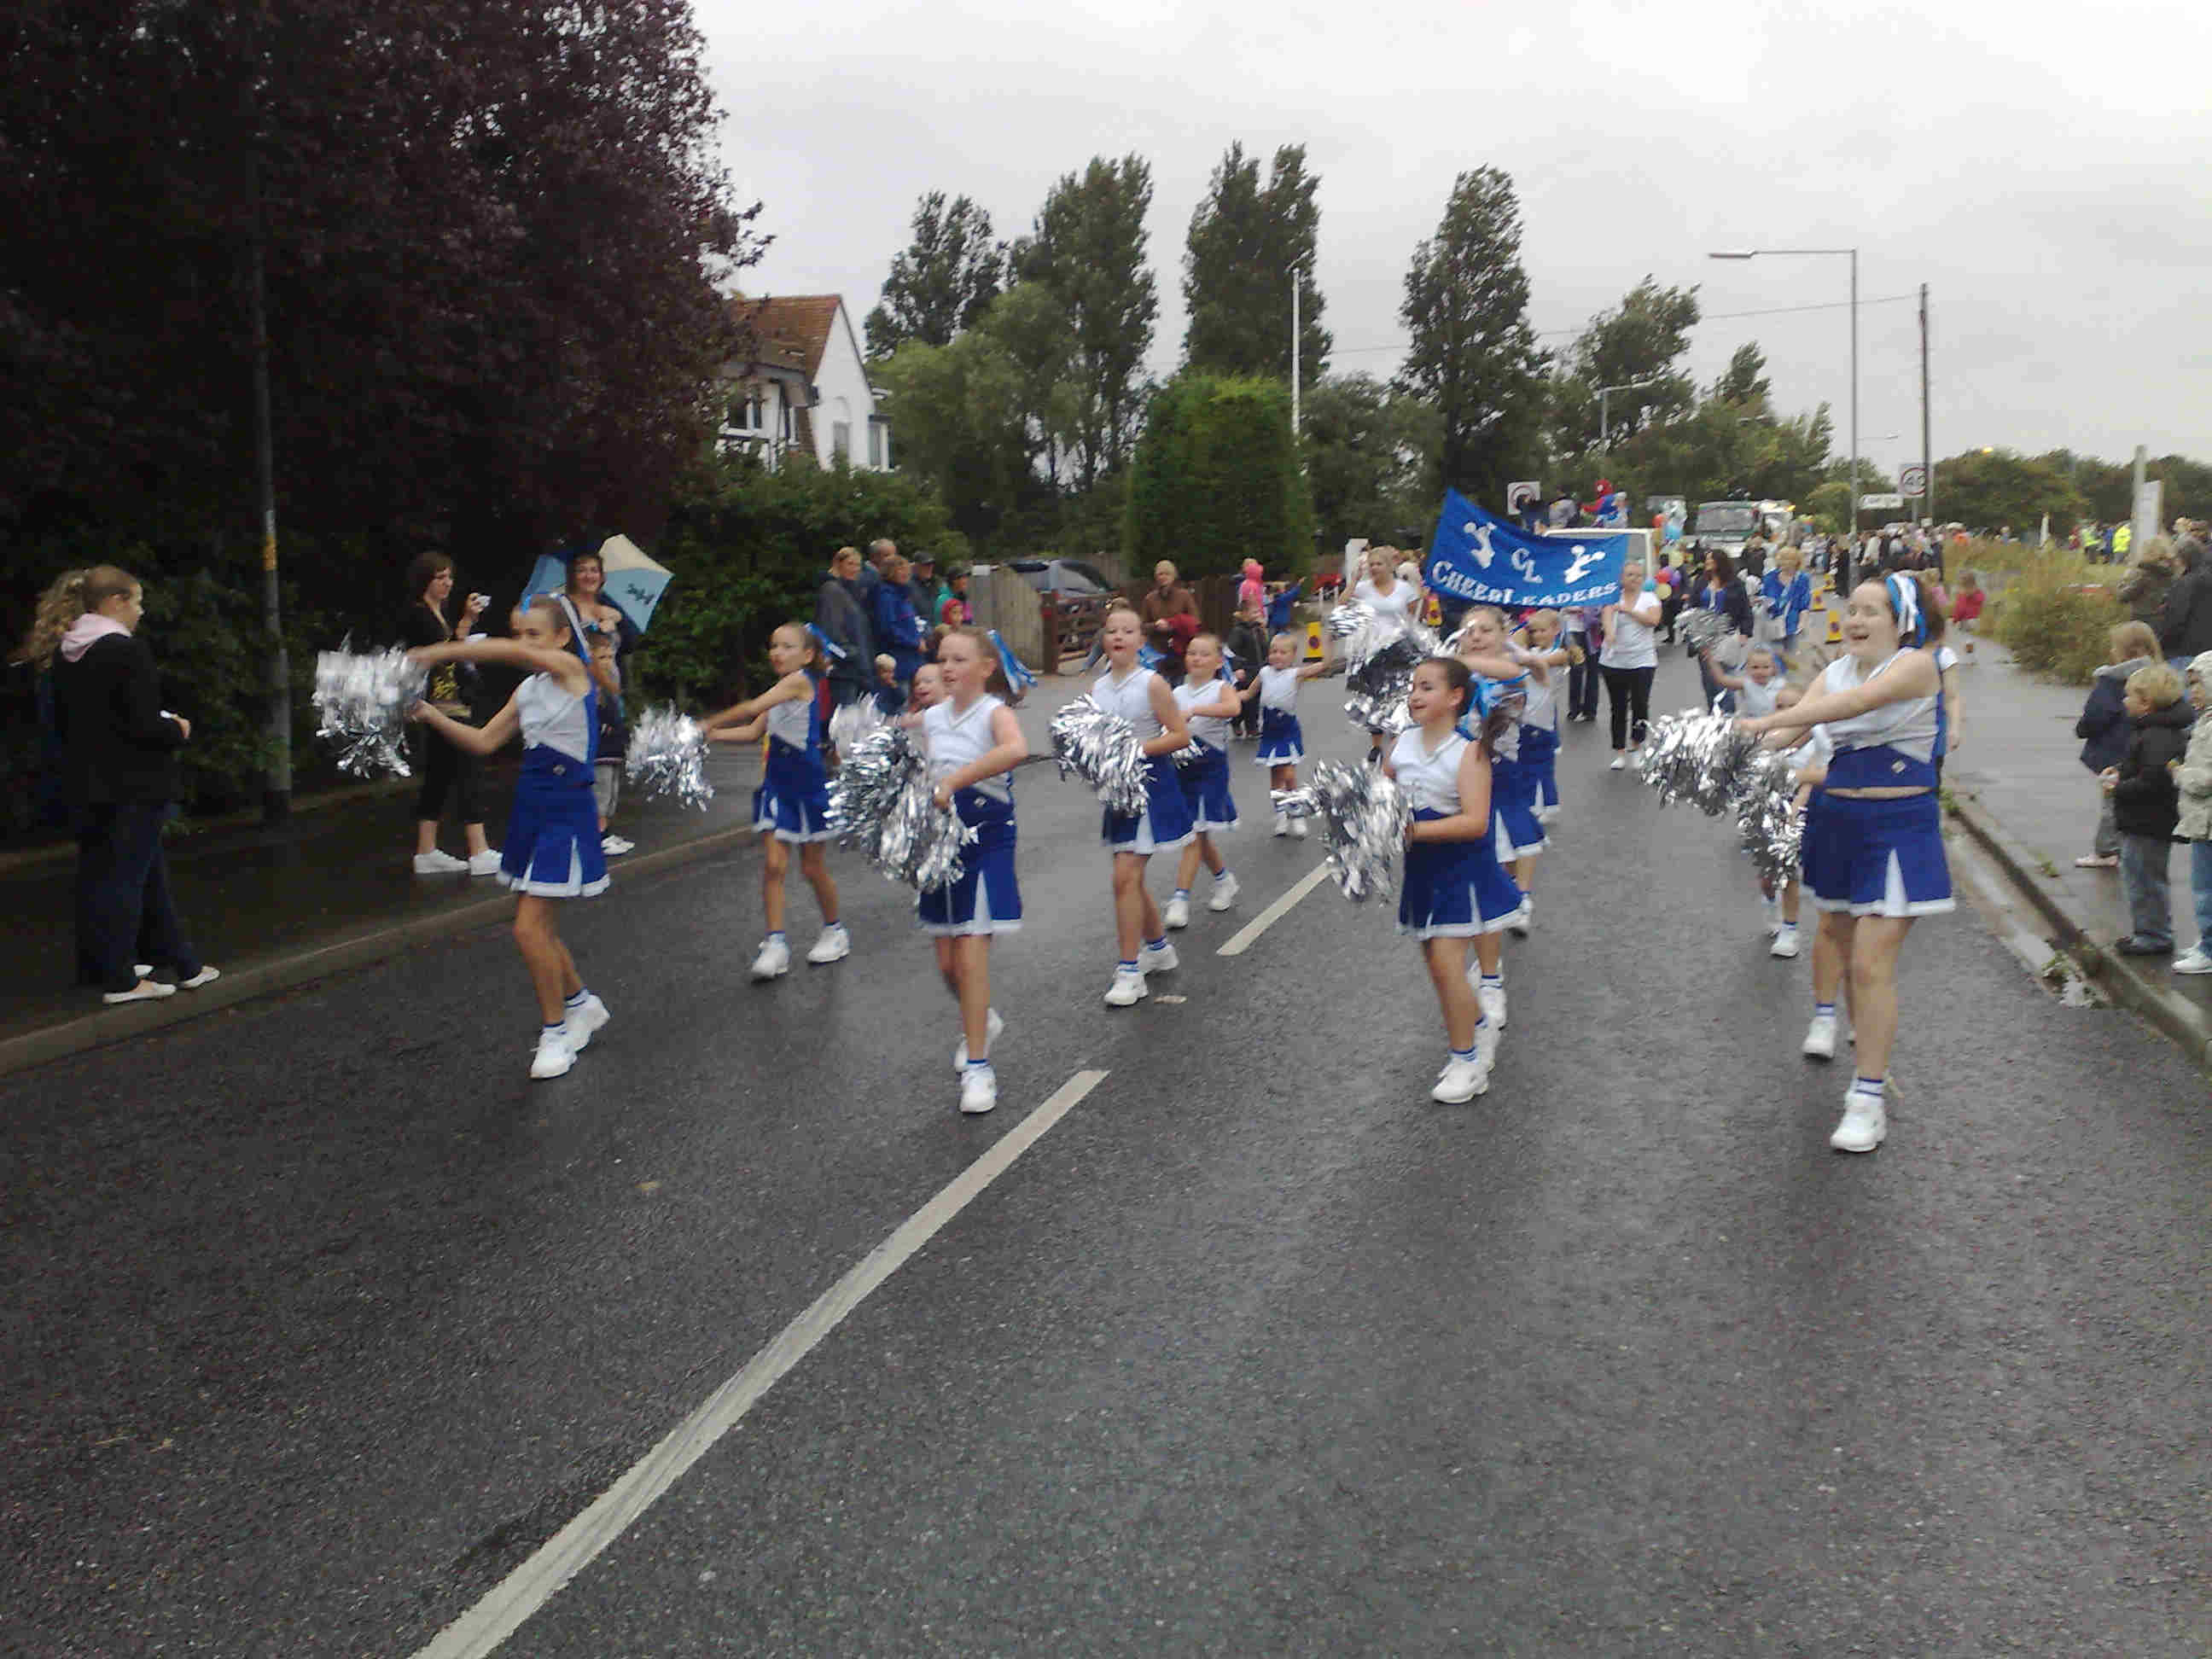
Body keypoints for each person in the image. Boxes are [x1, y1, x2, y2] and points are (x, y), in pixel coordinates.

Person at [1740, 573, 1952, 1154]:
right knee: (1837, 936)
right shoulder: (1835, 671)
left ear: (1901, 620)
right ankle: (1855, 1045)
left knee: (1869, 963)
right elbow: (1795, 730)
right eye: (1851, 609)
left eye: (1870, 611)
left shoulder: (1916, 665)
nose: (1855, 620)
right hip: (1837, 821)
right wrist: (1731, 750)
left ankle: (1867, 1100)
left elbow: (1855, 705)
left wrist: (1761, 721)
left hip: (1898, 826)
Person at [406, 597, 610, 1080]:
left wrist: (440, 651)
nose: (524, 645)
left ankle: (555, 1033)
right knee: (539, 927)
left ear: (562, 638)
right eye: (519, 634)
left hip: (565, 813)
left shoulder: (572, 672)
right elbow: (482, 742)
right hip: (531, 813)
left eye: (534, 635)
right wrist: (430, 714)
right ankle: (581, 1004)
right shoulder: (528, 690)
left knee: (528, 929)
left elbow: (512, 655)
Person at [26, 564, 220, 1005]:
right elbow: (142, 724)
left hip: (90, 785)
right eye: (137, 601)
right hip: (135, 785)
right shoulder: (123, 650)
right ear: (115, 601)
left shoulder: (68, 652)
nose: (141, 610)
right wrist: (177, 729)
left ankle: (179, 964)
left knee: (133, 877)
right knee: (127, 881)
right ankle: (121, 980)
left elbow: (84, 723)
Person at [1382, 655, 1514, 1103]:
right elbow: (1381, 795)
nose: (1415, 695)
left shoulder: (1468, 752)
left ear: (1456, 697)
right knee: (1440, 972)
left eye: (1427, 687)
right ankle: (1479, 1029)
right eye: (1413, 687)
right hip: (1421, 870)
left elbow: (1476, 822)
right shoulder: (1401, 743)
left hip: (1461, 870)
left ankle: (1467, 1063)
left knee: (1446, 965)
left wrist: (1413, 831)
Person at [917, 627, 1029, 1115]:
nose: (948, 667)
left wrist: (955, 782)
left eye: (959, 659)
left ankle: (980, 1069)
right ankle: (982, 1017)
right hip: (942, 846)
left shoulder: (994, 712)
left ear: (985, 668)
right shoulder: (931, 718)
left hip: (987, 838)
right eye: (943, 659)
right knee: (947, 964)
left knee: (969, 955)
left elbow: (1015, 750)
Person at [699, 624, 849, 981]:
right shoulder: (781, 689)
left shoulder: (799, 682)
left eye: (787, 646)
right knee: (773, 865)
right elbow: (754, 730)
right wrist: (711, 736)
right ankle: (775, 943)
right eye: (773, 646)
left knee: (812, 868)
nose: (777, 652)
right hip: (777, 786)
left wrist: (706, 722)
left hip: (807, 786)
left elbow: (751, 707)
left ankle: (835, 930)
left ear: (808, 655)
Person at [1091, 602, 1195, 1006]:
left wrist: (1136, 750)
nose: (1118, 636)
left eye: (1127, 630)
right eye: (1111, 630)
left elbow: (1180, 735)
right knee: (1129, 878)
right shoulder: (1098, 688)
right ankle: (1158, 949)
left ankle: (1130, 972)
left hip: (1150, 787)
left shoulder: (1152, 684)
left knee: (1124, 877)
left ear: (1140, 641)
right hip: (1119, 791)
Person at [399, 551, 499, 876]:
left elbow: (451, 648)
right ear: (424, 580)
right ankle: (478, 850)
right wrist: (460, 644)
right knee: (469, 768)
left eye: (449, 577)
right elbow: (422, 655)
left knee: (439, 775)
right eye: (440, 577)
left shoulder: (438, 613)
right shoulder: (417, 614)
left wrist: (467, 621)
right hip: (439, 703)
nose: (447, 583)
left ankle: (426, 850)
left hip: (447, 700)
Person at [1454, 608, 1545, 931]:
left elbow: (1509, 673)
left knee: (1514, 832)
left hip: (1503, 769)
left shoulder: (1510, 666)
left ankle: (1522, 896)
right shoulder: (1455, 674)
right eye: (1469, 631)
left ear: (1503, 635)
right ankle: (1504, 896)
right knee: (1486, 843)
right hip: (1463, 771)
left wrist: (1458, 662)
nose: (1476, 637)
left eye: (1485, 630)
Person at [2101, 661, 2190, 955]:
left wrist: (2117, 788)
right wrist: (2120, 770)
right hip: (2143, 819)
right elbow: (2143, 768)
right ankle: (2147, 931)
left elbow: (2154, 781)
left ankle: (2154, 935)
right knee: (2139, 877)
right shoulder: (2152, 731)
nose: (2124, 701)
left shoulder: (2157, 735)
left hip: (2148, 821)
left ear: (2146, 702)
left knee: (2145, 880)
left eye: (2129, 696)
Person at [1165, 633, 1243, 928]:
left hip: (1211, 770)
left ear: (1218, 662)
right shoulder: (1177, 692)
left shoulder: (1221, 688)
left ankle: (1180, 898)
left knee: (1195, 836)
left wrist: (1195, 710)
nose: (1196, 658)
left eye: (1204, 654)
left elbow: (1233, 709)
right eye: (1192, 653)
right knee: (1198, 836)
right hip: (1183, 771)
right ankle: (1224, 880)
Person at [2073, 621, 2163, 870]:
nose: (2112, 651)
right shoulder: (2159, 677)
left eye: (2115, 647)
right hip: (2145, 751)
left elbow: (2096, 715)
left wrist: (2082, 729)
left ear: (2126, 652)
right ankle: (2129, 847)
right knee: (2137, 802)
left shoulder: (2112, 680)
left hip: (2113, 752)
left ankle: (2106, 851)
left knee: (2111, 804)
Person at [1760, 684, 1830, 961]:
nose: (1788, 712)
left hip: (1799, 808)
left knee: (1788, 871)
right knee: (1767, 876)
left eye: (1794, 707)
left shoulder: (1818, 739)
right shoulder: (1766, 740)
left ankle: (1790, 930)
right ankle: (1770, 903)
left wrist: (1797, 808)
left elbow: (1811, 779)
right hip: (1767, 809)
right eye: (1781, 707)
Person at [1242, 632, 1329, 835]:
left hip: (1288, 730)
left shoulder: (1296, 674)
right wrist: (1227, 696)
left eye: (1283, 652)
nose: (1277, 656)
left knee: (1288, 774)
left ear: (1293, 656)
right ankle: (1281, 814)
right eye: (1273, 651)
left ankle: (1296, 815)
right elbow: (1248, 693)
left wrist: (1329, 643)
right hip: (1269, 731)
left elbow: (1323, 665)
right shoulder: (1264, 673)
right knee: (1275, 779)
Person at [2168, 652, 2212, 975]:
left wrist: (2181, 775)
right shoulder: (2205, 720)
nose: (2192, 691)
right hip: (2202, 821)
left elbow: (2207, 778)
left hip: (2207, 822)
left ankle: (2209, 950)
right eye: (2190, 684)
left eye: (2198, 684)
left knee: (2205, 889)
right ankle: (2206, 942)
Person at [1598, 559, 1662, 770]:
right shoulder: (1612, 598)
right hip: (1614, 661)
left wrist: (1628, 610)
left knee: (1640, 705)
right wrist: (1609, 634)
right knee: (1618, 707)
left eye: (1638, 575)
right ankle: (1619, 752)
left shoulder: (1649, 598)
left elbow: (1653, 621)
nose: (1635, 579)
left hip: (1642, 660)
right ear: (1621, 578)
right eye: (1630, 575)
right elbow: (1607, 618)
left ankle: (1637, 746)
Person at [1511, 609, 1569, 824]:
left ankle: (1546, 805)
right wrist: (1520, 633)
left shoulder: (1559, 653)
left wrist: (1515, 644)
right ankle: (1534, 804)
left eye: (1543, 630)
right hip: (1525, 715)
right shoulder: (1532, 651)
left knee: (1541, 765)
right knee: (1526, 763)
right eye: (1534, 631)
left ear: (1556, 630)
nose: (1537, 635)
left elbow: (1539, 663)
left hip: (1542, 718)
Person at [1693, 549, 1755, 710]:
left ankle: (1728, 716)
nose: (1707, 562)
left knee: (1725, 682)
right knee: (1709, 683)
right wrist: (1694, 634)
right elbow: (1692, 608)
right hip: (1705, 640)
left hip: (1726, 638)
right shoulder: (1701, 581)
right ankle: (1713, 716)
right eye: (1707, 559)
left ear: (1720, 562)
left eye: (1711, 560)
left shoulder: (1736, 584)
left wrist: (1745, 633)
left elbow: (1745, 610)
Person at [813, 546, 875, 708]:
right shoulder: (831, 590)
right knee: (844, 718)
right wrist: (850, 655)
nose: (855, 569)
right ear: (838, 564)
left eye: (858, 565)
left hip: (855, 670)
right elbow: (830, 630)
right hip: (844, 671)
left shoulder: (850, 592)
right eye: (850, 564)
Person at [870, 552, 925, 685]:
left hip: (912, 659)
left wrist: (919, 638)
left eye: (906, 569)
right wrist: (915, 643)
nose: (905, 573)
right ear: (890, 572)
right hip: (897, 663)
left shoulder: (904, 595)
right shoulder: (885, 596)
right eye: (900, 569)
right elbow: (889, 629)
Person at [1761, 544, 1815, 665]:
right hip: (1773, 624)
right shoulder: (1770, 578)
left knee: (1790, 660)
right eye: (1782, 559)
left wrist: (1802, 623)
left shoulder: (1802, 579)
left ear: (1796, 562)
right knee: (1774, 660)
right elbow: (1763, 598)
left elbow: (1804, 604)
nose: (1785, 562)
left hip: (1792, 625)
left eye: (1789, 559)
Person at [1703, 642, 1785, 719]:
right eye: (1755, 667)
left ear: (1773, 668)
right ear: (1748, 669)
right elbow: (1722, 679)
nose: (1760, 671)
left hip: (1775, 724)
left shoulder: (1781, 684)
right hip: (1752, 724)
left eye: (1766, 667)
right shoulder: (1747, 683)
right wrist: (1710, 658)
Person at [1224, 602, 1269, 740]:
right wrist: (1237, 668)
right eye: (1254, 612)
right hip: (1246, 670)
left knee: (1255, 701)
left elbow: (1265, 649)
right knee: (1246, 701)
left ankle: (1251, 727)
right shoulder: (1238, 631)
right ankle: (1240, 723)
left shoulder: (1258, 630)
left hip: (1258, 670)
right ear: (1244, 614)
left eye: (1258, 612)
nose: (1258, 615)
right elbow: (1230, 652)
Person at [1353, 545, 1418, 629]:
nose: (1374, 567)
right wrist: (1354, 581)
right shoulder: (1361, 587)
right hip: (1368, 636)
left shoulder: (1405, 588)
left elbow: (1412, 616)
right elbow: (1342, 607)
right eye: (1371, 565)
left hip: (1398, 636)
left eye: (1379, 564)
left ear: (1389, 566)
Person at [1948, 569, 1986, 656]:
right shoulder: (1979, 595)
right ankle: (1970, 645)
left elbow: (1959, 609)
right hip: (1976, 620)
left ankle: (1969, 646)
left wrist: (1955, 620)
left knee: (1965, 635)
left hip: (1965, 621)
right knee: (1970, 634)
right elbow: (1982, 603)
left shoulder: (1962, 597)